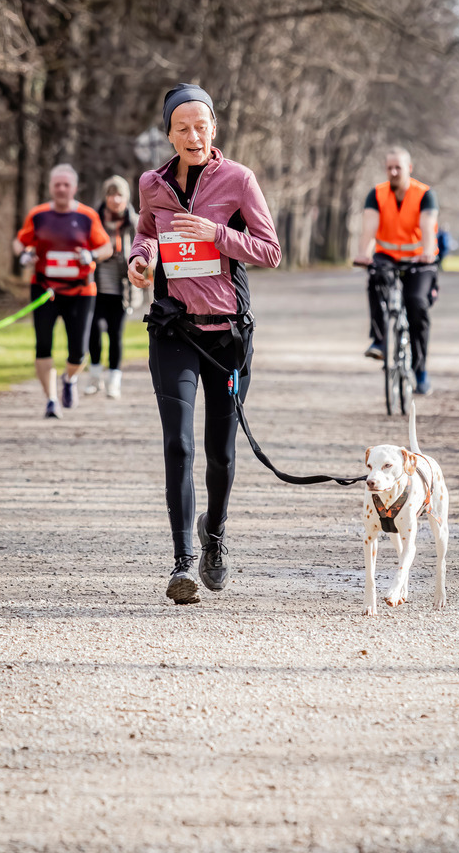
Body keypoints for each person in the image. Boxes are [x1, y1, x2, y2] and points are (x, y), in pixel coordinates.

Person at [128, 83, 281, 606]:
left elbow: (270, 250)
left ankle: (213, 535)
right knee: (179, 444)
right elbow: (146, 233)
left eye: (202, 125)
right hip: (174, 330)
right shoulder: (152, 184)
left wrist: (217, 233)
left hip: (228, 335)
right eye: (182, 127)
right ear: (169, 134)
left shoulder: (238, 179)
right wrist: (140, 259)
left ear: (215, 127)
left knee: (219, 452)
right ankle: (183, 561)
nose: (193, 135)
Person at [13, 164, 112, 418]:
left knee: (79, 351)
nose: (61, 189)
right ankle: (51, 400)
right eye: (57, 184)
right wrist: (24, 255)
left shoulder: (88, 216)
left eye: (66, 184)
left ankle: (69, 380)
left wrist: (90, 254)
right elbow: (20, 242)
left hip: (80, 291)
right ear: (50, 187)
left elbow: (106, 248)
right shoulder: (38, 215)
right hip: (45, 289)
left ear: (74, 188)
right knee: (43, 345)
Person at [353, 146, 438, 396]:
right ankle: (379, 341)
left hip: (419, 260)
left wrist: (427, 251)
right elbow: (369, 227)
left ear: (408, 169)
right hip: (387, 256)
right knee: (375, 281)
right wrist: (363, 254)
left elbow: (428, 226)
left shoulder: (424, 195)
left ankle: (420, 371)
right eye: (389, 167)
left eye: (398, 167)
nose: (393, 171)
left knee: (416, 303)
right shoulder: (376, 194)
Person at [84, 175, 140, 399]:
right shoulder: (93, 220)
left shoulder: (133, 223)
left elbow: (144, 251)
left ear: (126, 198)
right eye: (111, 194)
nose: (116, 200)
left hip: (121, 290)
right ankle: (95, 378)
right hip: (95, 288)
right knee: (94, 332)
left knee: (116, 335)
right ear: (105, 197)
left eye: (120, 195)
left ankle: (114, 382)